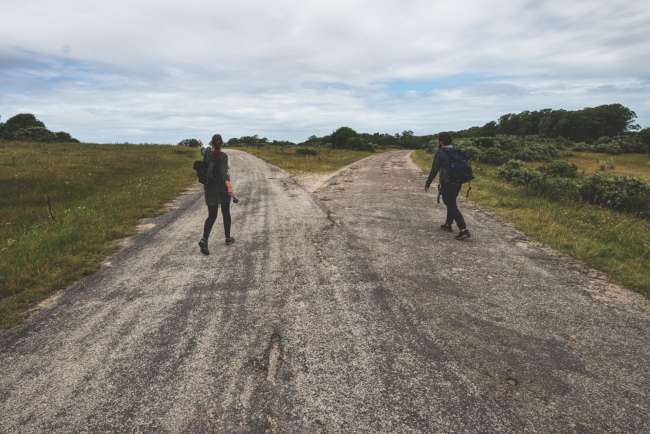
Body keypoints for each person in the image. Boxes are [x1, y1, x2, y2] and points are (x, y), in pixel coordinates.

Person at [425, 132, 471, 240]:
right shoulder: (456, 150)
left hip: (447, 182)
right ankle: (448, 224)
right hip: (458, 182)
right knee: (451, 202)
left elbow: (434, 170)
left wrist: (428, 183)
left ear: (441, 141)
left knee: (450, 204)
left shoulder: (441, 153)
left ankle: (463, 229)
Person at [198, 134, 235, 255]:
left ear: (212, 143)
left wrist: (201, 144)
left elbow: (203, 150)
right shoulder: (223, 156)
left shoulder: (207, 153)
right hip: (222, 189)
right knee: (226, 212)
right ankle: (228, 238)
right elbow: (224, 174)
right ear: (222, 143)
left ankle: (204, 239)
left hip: (210, 188)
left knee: (212, 215)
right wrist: (230, 188)